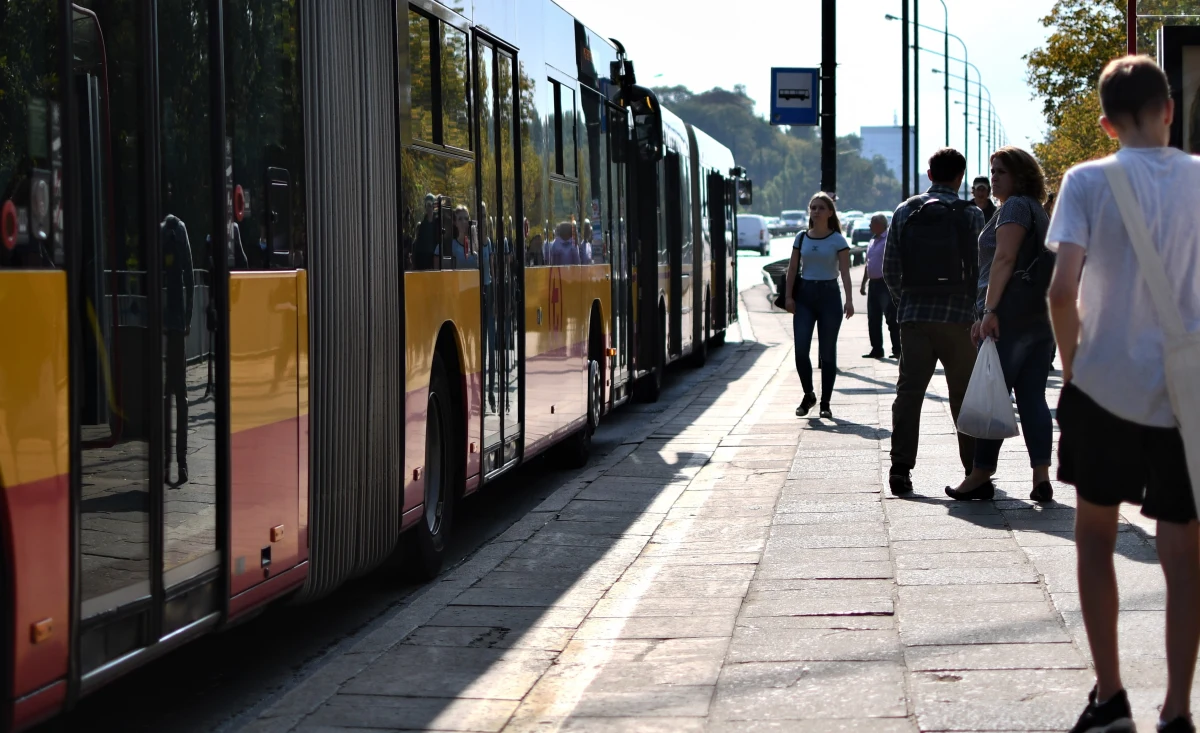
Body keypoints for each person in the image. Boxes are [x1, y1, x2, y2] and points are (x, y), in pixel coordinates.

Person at [1049, 56, 1200, 733]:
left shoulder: (1087, 181)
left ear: (1106, 123)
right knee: (1185, 552)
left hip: (1103, 385)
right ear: (1170, 108)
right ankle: (1177, 707)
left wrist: (1071, 363)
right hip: (1185, 393)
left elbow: (1060, 289)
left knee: (1095, 536)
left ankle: (1110, 694)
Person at [947, 146, 1054, 503]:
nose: (993, 178)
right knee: (1032, 397)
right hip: (1041, 317)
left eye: (1000, 172)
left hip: (1009, 318)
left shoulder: (1015, 207)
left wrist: (989, 310)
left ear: (1020, 176)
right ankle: (1041, 476)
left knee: (992, 394)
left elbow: (1005, 257)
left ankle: (979, 474)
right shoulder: (1039, 211)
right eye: (991, 171)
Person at [883, 148, 984, 495]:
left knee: (909, 395)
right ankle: (973, 471)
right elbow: (981, 270)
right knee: (964, 396)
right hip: (959, 319)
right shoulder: (972, 214)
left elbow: (890, 269)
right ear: (961, 176)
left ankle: (900, 469)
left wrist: (907, 302)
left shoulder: (906, 210)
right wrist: (976, 311)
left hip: (915, 319)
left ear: (929, 174)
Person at [783, 192, 854, 419]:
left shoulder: (838, 240)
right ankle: (808, 394)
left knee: (827, 353)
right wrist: (788, 297)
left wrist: (850, 300)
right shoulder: (801, 238)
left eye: (821, 208)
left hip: (829, 297)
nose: (816, 211)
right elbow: (792, 269)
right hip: (804, 296)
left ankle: (825, 402)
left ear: (830, 213)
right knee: (801, 351)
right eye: (813, 208)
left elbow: (844, 272)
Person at [162, 212, 194, 486]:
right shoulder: (180, 228)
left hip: (159, 322)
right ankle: (181, 463)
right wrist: (188, 319)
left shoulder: (159, 230)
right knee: (180, 395)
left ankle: (163, 463)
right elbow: (190, 276)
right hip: (175, 324)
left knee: (163, 395)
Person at [859, 214, 900, 359]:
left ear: (880, 224)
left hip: (885, 283)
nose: (869, 226)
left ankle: (897, 349)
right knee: (873, 318)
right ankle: (877, 349)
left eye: (872, 223)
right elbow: (868, 264)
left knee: (891, 317)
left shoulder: (888, 239)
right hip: (873, 283)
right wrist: (864, 283)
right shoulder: (872, 241)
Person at [435, 205, 477, 269]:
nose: (463, 222)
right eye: (460, 219)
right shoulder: (450, 246)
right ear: (455, 223)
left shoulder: (475, 246)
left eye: (466, 219)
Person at [413, 193, 438, 269]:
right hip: (423, 262)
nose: (429, 208)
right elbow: (417, 247)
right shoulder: (421, 226)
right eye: (427, 205)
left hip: (435, 261)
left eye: (431, 205)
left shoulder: (438, 224)